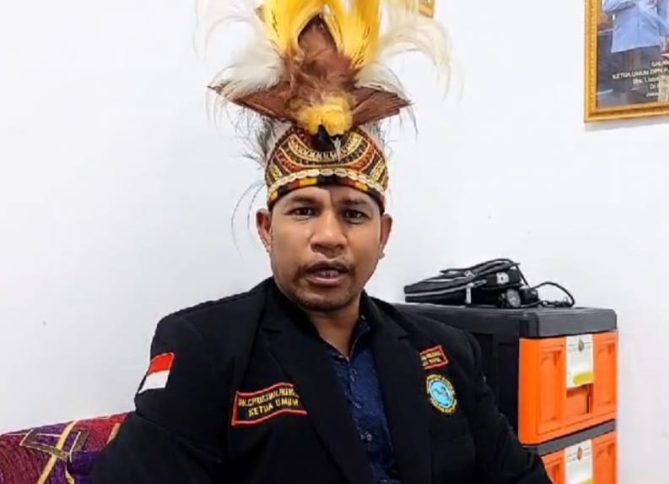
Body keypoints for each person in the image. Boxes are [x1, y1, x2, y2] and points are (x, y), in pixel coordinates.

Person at [89, 0, 552, 483]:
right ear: (266, 228)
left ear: (383, 234)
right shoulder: (206, 351)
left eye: (353, 214)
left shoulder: (445, 350)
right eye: (304, 211)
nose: (329, 237)